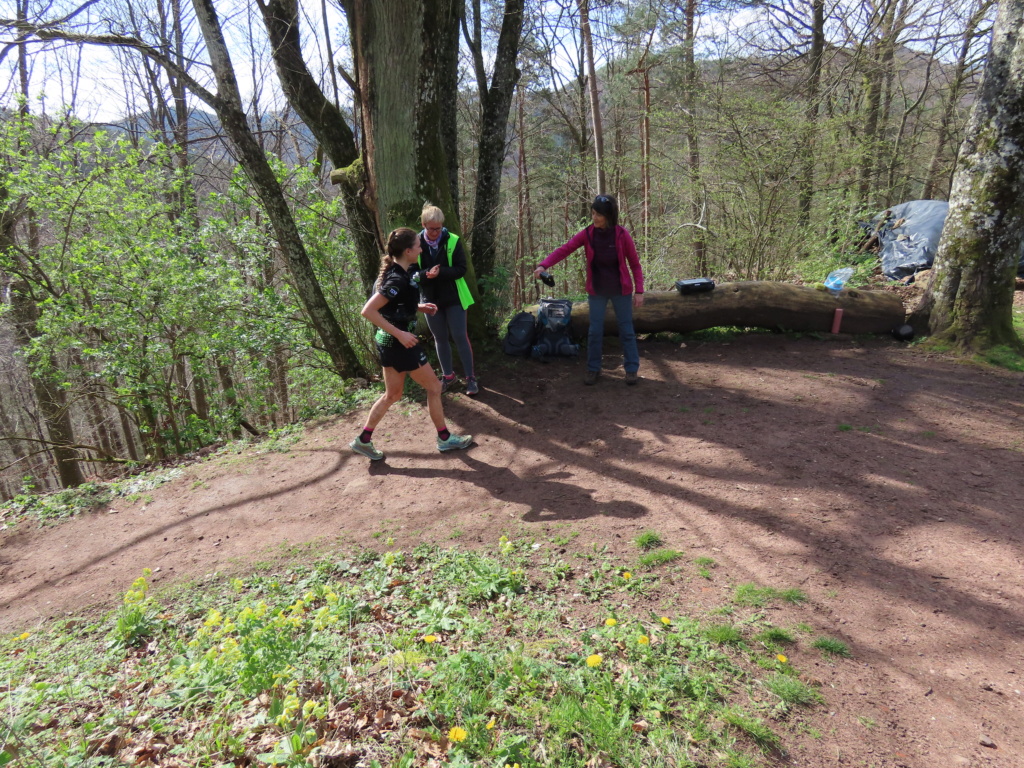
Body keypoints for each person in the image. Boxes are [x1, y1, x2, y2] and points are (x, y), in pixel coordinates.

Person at [350, 227, 473, 461]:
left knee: (392, 395)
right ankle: (445, 439)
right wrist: (400, 334)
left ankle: (363, 440)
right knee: (435, 387)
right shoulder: (397, 277)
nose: (421, 248)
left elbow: (391, 306)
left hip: (387, 343)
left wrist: (418, 307)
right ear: (408, 251)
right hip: (400, 345)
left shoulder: (402, 272)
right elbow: (369, 311)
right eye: (418, 245)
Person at [533, 194, 645, 385]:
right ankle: (594, 368)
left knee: (626, 330)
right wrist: (544, 265)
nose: (594, 218)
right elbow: (565, 249)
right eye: (593, 213)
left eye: (598, 214)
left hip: (621, 290)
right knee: (594, 331)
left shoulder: (621, 235)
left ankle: (631, 369)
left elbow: (634, 264)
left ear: (608, 215)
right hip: (597, 291)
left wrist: (640, 291)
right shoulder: (587, 234)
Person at [417, 203, 479, 396]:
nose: (435, 232)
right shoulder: (415, 242)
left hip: (454, 297)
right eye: (431, 229)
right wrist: (426, 274)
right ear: (423, 224)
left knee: (460, 336)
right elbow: (410, 273)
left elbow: (461, 269)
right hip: (430, 299)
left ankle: (470, 378)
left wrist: (441, 272)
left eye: (438, 228)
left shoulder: (452, 240)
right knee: (440, 338)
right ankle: (448, 376)